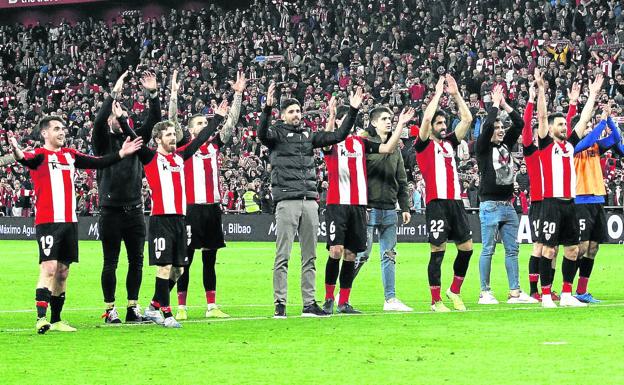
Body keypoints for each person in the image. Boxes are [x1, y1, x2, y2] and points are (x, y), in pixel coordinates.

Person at [9, 115, 142, 334]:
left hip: (70, 222)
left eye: (63, 129)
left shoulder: (70, 155)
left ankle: (57, 319)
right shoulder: (40, 155)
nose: (62, 132)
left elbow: (98, 162)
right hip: (49, 221)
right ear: (45, 133)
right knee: (49, 267)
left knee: (62, 272)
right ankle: (41, 319)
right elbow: (24, 158)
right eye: (57, 129)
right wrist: (15, 149)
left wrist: (121, 153)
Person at [258, 83, 363, 319]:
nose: (297, 115)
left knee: (310, 256)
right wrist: (266, 108)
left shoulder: (308, 135)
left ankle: (308, 304)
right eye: (292, 112)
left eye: (298, 111)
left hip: (310, 200)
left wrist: (353, 110)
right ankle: (280, 304)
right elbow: (261, 134)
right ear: (283, 115)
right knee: (283, 255)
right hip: (287, 200)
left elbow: (338, 136)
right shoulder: (276, 133)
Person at [126, 101, 227, 328]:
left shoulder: (180, 156)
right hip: (161, 220)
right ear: (158, 139)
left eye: (174, 134)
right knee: (164, 266)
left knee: (179, 269)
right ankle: (167, 312)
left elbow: (201, 140)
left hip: (181, 220)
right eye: (168, 135)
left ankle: (153, 306)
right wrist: (124, 120)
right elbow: (133, 137)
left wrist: (218, 119)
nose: (173, 137)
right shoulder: (151, 158)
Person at [322, 94, 415, 314]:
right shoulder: (332, 143)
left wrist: (401, 125)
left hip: (359, 206)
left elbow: (387, 149)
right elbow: (326, 138)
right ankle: (328, 298)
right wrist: (331, 115)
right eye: (341, 120)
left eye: (349, 120)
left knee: (352, 254)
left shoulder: (360, 143)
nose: (347, 124)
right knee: (335, 251)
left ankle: (343, 302)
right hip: (337, 204)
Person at [174, 72, 246, 320]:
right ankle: (181, 307)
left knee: (210, 259)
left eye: (206, 123)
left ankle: (211, 305)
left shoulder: (214, 146)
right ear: (190, 130)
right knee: (186, 259)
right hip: (191, 208)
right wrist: (173, 95)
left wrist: (238, 95)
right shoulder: (183, 149)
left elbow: (231, 122)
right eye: (200, 124)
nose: (205, 127)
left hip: (212, 208)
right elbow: (172, 121)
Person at [93, 71, 162, 324]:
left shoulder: (134, 140)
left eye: (122, 114)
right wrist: (113, 94)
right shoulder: (102, 142)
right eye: (115, 114)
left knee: (137, 261)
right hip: (110, 210)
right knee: (110, 261)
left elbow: (155, 120)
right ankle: (110, 309)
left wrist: (153, 94)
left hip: (134, 209)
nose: (119, 116)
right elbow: (99, 121)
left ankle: (133, 307)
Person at [414, 75, 474, 312]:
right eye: (439, 124)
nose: (442, 126)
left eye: (443, 123)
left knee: (467, 249)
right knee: (438, 250)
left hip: (456, 202)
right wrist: (438, 93)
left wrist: (456, 94)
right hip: (437, 203)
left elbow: (467, 119)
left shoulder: (450, 143)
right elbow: (427, 117)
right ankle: (435, 300)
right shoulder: (423, 145)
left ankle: (454, 291)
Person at [475, 84, 537, 304]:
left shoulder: (505, 145)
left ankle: (515, 293)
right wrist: (493, 105)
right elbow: (488, 125)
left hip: (507, 205)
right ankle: (485, 292)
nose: (501, 130)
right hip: (490, 204)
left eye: (502, 127)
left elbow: (519, 123)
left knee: (513, 250)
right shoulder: (482, 147)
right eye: (497, 127)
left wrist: (504, 105)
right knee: (488, 249)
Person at [534, 69, 590, 308]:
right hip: (551, 204)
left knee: (573, 250)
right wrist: (541, 90)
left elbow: (584, 120)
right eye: (560, 124)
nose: (565, 127)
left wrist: (591, 96)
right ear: (552, 128)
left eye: (565, 124)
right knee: (548, 250)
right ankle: (546, 295)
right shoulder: (547, 144)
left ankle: (567, 294)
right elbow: (542, 117)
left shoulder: (569, 146)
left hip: (571, 204)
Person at [352, 105, 413, 312]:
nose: (389, 121)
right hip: (369, 207)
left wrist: (404, 206)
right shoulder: (365, 144)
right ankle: (341, 293)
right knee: (362, 254)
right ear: (374, 122)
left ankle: (390, 299)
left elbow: (402, 179)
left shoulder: (396, 148)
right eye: (385, 118)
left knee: (389, 254)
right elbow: (375, 162)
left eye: (391, 119)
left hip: (389, 208)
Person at [572, 100, 620, 303]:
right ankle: (567, 289)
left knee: (593, 248)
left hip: (597, 199)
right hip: (580, 200)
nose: (591, 130)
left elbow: (616, 138)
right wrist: (601, 122)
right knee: (580, 247)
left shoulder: (596, 146)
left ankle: (582, 291)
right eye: (587, 126)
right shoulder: (572, 145)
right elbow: (588, 138)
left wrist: (609, 119)